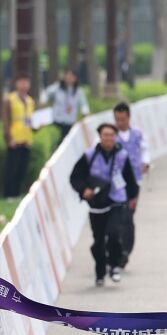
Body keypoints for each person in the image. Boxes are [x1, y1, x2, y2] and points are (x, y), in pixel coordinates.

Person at [70, 123, 139, 287]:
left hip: (116, 200)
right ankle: (100, 272)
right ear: (100, 137)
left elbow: (130, 178)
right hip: (96, 204)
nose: (108, 138)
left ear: (115, 137)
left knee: (114, 233)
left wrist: (132, 197)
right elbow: (75, 176)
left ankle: (114, 265)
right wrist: (83, 190)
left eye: (111, 135)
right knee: (98, 241)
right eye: (105, 135)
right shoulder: (89, 155)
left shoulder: (122, 155)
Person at [113, 102, 150, 268]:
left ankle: (126, 250)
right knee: (117, 217)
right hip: (115, 184)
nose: (119, 122)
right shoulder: (110, 135)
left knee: (128, 216)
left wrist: (145, 163)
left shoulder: (137, 134)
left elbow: (145, 150)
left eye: (122, 119)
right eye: (117, 119)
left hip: (134, 182)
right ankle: (117, 249)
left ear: (128, 118)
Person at [3, 75, 35, 198]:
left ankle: (17, 193)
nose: (24, 85)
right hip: (14, 139)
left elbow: (30, 121)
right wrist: (9, 138)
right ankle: (9, 194)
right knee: (12, 168)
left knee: (22, 169)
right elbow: (6, 121)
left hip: (26, 139)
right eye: (21, 82)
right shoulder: (10, 99)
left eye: (26, 82)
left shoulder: (30, 101)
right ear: (16, 83)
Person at [40, 69, 91, 143]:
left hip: (70, 122)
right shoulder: (57, 88)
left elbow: (84, 104)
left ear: (75, 78)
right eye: (67, 76)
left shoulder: (78, 91)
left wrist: (85, 113)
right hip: (57, 121)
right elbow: (46, 93)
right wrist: (43, 101)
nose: (69, 78)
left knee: (67, 142)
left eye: (71, 76)